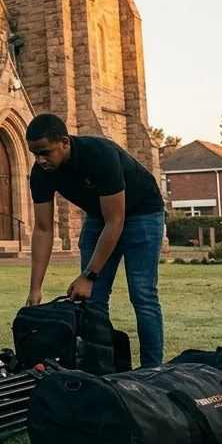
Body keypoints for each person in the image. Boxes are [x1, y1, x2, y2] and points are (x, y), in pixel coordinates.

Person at [24, 113, 168, 368]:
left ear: (65, 143)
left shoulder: (100, 155)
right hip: (100, 216)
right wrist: (35, 288)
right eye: (35, 154)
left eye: (45, 152)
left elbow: (116, 221)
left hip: (142, 212)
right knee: (92, 299)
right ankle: (102, 368)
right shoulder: (41, 173)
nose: (40, 160)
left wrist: (88, 275)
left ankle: (152, 369)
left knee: (142, 293)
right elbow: (44, 230)